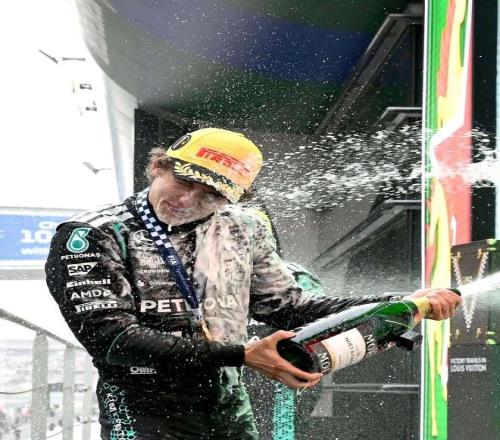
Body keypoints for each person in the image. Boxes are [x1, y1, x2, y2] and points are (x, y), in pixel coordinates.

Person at [45, 127, 461, 440]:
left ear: (232, 199)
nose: (187, 200)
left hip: (227, 400)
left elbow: (290, 307)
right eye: (184, 181)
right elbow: (112, 340)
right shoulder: (94, 234)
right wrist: (243, 354)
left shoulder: (242, 228)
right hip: (142, 406)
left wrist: (402, 302)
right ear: (158, 166)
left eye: (209, 194)